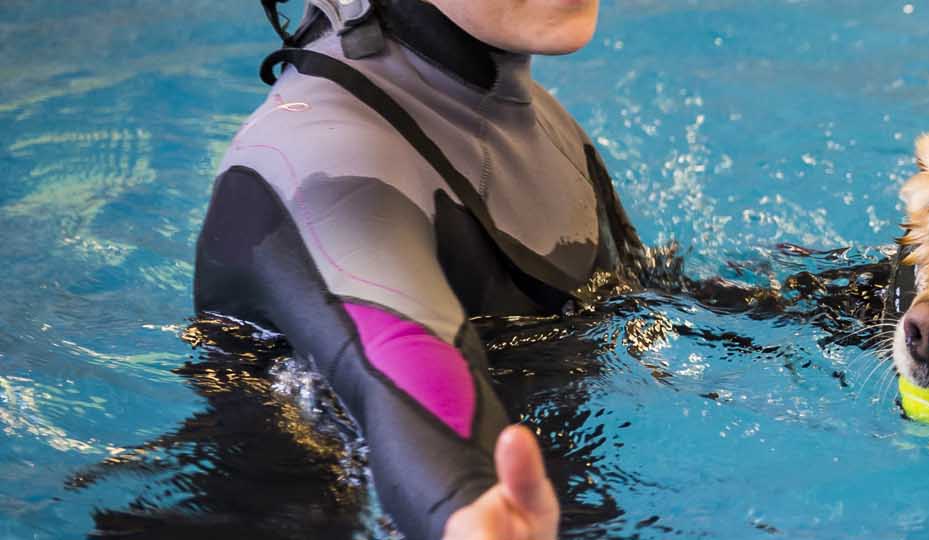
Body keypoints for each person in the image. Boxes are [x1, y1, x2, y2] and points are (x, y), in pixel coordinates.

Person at [194, 1, 641, 537]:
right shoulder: (326, 163)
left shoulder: (541, 126)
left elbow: (630, 300)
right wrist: (466, 507)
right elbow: (402, 366)